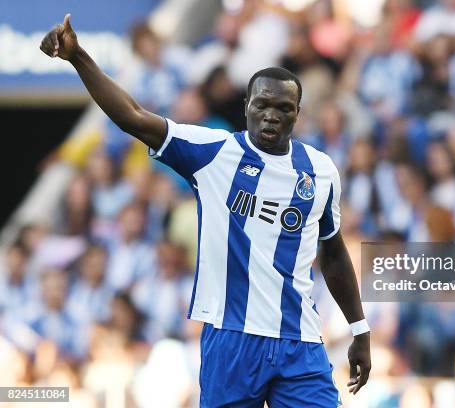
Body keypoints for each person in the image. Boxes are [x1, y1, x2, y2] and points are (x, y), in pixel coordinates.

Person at [40, 14, 371, 407]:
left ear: (298, 113)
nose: (271, 115)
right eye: (262, 104)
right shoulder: (214, 152)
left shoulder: (321, 171)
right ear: (246, 105)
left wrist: (360, 329)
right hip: (230, 338)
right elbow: (132, 115)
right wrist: (79, 58)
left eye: (284, 108)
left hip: (299, 340)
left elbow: (332, 253)